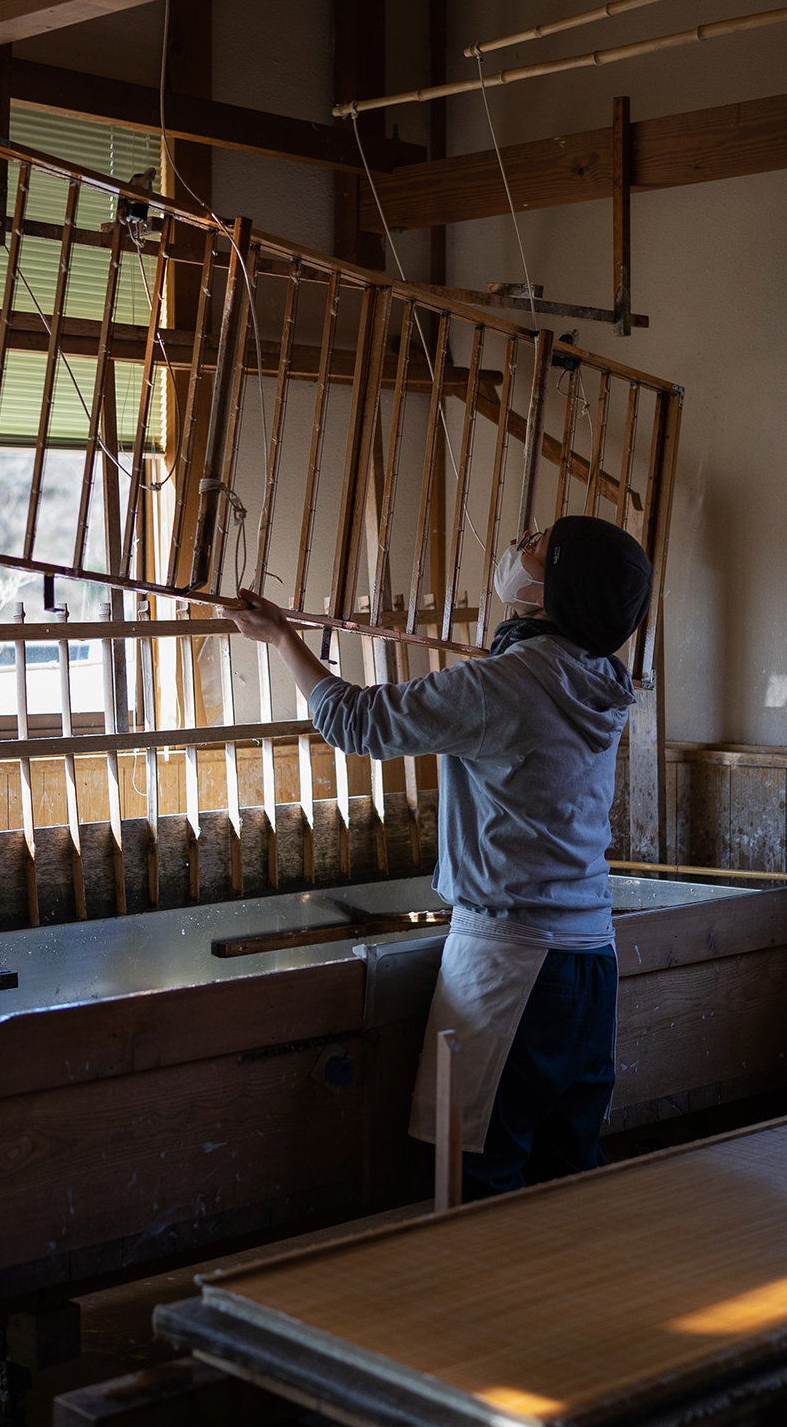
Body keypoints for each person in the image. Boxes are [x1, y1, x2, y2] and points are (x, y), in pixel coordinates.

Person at [224, 514, 652, 1201]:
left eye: (536, 546)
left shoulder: (507, 685)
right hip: (592, 959)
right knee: (569, 1183)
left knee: (476, 1182)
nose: (517, 546)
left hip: (512, 964)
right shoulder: (600, 675)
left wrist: (280, 636)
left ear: (558, 591)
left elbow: (355, 720)